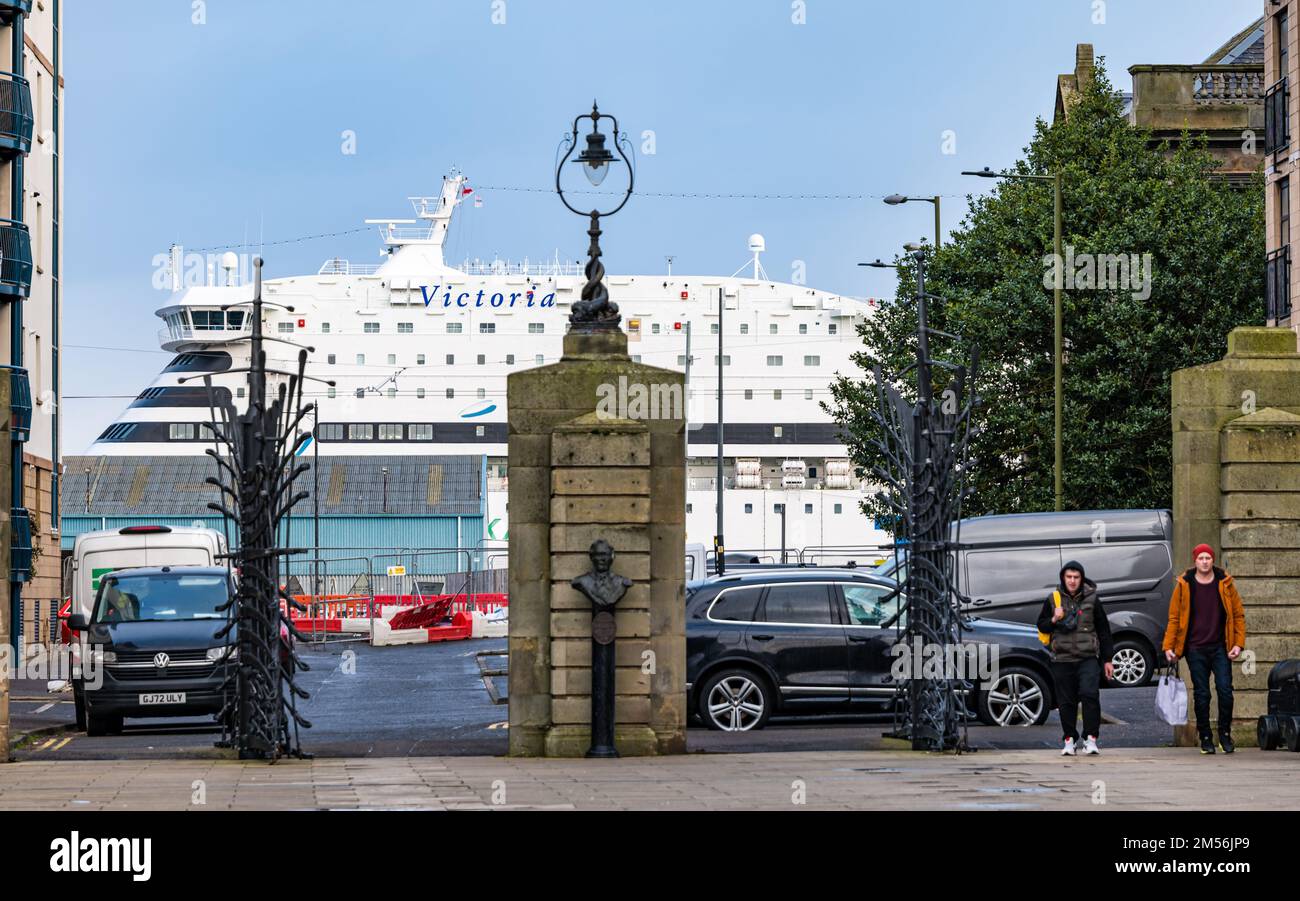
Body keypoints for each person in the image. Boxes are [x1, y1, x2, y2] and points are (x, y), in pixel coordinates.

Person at [1162, 544, 1246, 755]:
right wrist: (1168, 646)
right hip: (1195, 648)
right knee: (1202, 694)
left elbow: (1238, 615)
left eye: (1208, 558)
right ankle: (1206, 736)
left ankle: (1225, 734)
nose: (1205, 561)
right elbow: (1174, 618)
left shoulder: (1225, 583)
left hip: (1220, 646)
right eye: (1201, 558)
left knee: (1225, 690)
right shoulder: (1184, 585)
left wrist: (1238, 643)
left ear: (1213, 560)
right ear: (1195, 561)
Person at [1036, 560, 1114, 756]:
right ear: (1063, 578)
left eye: (1076, 577)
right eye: (1069, 577)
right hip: (1061, 659)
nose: (1072, 581)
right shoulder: (1053, 599)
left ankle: (1091, 739)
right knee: (1066, 702)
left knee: (1090, 696)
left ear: (1082, 578)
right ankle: (1069, 739)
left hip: (1087, 657)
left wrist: (1107, 659)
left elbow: (1104, 630)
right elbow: (1041, 626)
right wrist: (1054, 618)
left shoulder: (1092, 599)